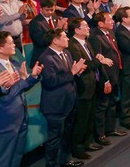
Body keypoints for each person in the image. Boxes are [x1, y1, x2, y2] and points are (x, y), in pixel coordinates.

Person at [0, 32, 42, 167]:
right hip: (5, 122)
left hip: (21, 118)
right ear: (0, 48)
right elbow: (5, 97)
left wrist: (31, 77)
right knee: (2, 160)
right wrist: (23, 81)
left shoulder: (13, 63)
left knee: (17, 157)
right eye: (10, 43)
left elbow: (20, 89)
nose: (14, 45)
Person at [38, 28, 87, 167]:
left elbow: (69, 76)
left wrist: (76, 73)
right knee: (54, 138)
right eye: (65, 37)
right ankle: (52, 164)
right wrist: (72, 72)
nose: (67, 39)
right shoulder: (46, 58)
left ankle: (65, 160)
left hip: (69, 101)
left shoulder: (66, 53)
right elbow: (50, 81)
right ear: (55, 40)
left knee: (67, 135)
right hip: (55, 105)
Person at [66, 18, 108, 160]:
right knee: (81, 119)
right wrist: (98, 60)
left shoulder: (86, 42)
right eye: (85, 26)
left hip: (92, 84)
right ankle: (77, 148)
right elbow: (83, 66)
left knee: (90, 116)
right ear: (77, 30)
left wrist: (97, 59)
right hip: (83, 86)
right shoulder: (72, 45)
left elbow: (92, 61)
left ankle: (87, 142)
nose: (88, 28)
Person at [88, 12, 126, 143]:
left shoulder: (110, 32)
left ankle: (110, 129)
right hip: (105, 77)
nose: (112, 22)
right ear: (100, 23)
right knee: (102, 106)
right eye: (109, 20)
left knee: (112, 103)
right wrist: (106, 80)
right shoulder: (95, 37)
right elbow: (100, 61)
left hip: (115, 73)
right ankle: (100, 134)